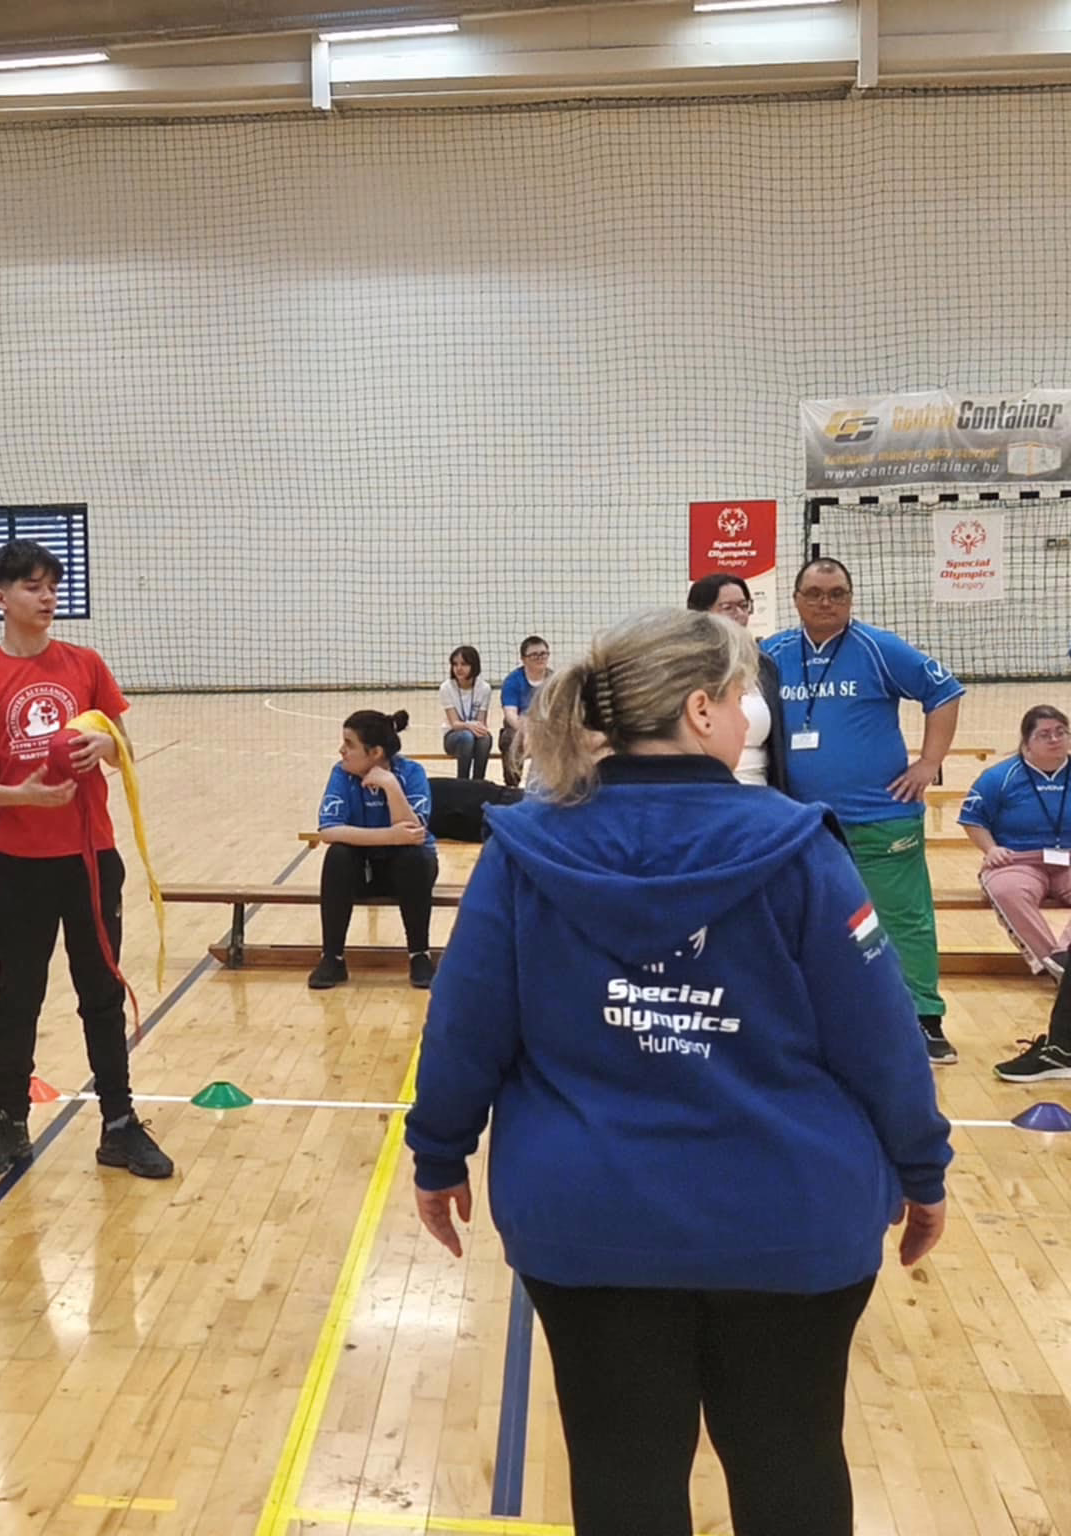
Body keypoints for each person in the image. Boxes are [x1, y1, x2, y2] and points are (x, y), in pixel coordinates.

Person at [407, 606, 951, 1536]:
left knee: (620, 1477)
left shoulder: (525, 850)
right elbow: (882, 1038)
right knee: (792, 1464)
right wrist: (922, 1168)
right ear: (701, 711)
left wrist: (439, 1153)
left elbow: (464, 1026)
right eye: (741, 696)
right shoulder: (801, 847)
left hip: (588, 1219)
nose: (749, 716)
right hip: (789, 1217)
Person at [0, 538, 174, 1183]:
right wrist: (22, 795)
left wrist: (104, 746)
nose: (47, 597)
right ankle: (10, 1120)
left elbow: (123, 746)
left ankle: (119, 1124)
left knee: (100, 992)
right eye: (32, 586)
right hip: (18, 865)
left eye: (52, 586)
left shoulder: (86, 665)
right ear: (1, 598)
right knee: (17, 996)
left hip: (90, 858)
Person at [762, 557, 965, 1063]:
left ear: (850, 598)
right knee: (807, 923)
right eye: (814, 593)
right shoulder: (772, 655)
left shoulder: (879, 648)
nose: (825, 602)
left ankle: (923, 1019)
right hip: (802, 823)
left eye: (837, 593)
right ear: (796, 599)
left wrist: (929, 763)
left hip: (881, 817)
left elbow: (944, 692)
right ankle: (816, 1021)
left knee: (903, 919)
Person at [310, 709, 438, 991]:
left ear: (376, 752)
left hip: (407, 873)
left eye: (349, 744)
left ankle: (419, 955)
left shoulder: (412, 773)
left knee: (413, 857)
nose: (341, 750)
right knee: (338, 856)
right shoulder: (342, 774)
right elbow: (328, 831)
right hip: (363, 871)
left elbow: (414, 834)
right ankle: (332, 958)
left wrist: (390, 785)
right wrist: (390, 836)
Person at [961, 705, 1069, 986]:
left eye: (1061, 732)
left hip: (1067, 860)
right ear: (1026, 742)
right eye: (1045, 734)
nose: (1055, 739)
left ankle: (1066, 957)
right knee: (1006, 890)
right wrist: (991, 849)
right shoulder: (999, 777)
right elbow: (972, 819)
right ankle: (1055, 964)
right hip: (1017, 860)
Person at [685, 573, 787, 790]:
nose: (739, 614)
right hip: (705, 789)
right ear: (701, 615)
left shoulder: (764, 665)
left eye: (743, 606)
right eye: (728, 608)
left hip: (760, 790)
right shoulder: (685, 667)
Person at [498, 635, 549, 790]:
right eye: (534, 655)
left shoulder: (555, 680)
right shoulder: (513, 681)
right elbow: (510, 714)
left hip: (546, 726)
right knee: (509, 738)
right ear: (523, 659)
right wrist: (526, 731)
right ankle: (512, 786)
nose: (540, 658)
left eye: (543, 654)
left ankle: (554, 785)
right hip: (520, 726)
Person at [437, 645, 493, 782]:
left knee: (485, 738)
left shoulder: (484, 688)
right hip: (453, 737)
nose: (459, 668)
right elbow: (455, 724)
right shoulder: (446, 688)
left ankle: (479, 783)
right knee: (466, 737)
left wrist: (478, 728)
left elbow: (481, 722)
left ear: (474, 666)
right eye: (455, 664)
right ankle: (462, 783)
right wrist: (469, 726)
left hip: (474, 734)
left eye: (464, 664)